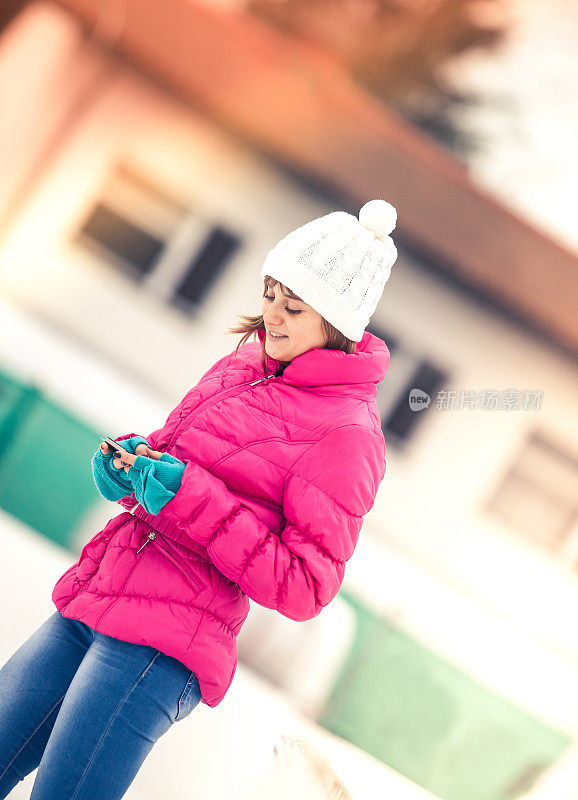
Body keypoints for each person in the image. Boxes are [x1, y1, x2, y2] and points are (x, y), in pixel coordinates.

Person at [0, 198, 398, 799]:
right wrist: (134, 468)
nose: (272, 317)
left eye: (294, 308)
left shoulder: (348, 435)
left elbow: (304, 586)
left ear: (338, 326)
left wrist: (185, 496)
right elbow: (177, 461)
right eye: (269, 294)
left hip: (158, 650)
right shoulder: (244, 363)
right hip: (100, 592)